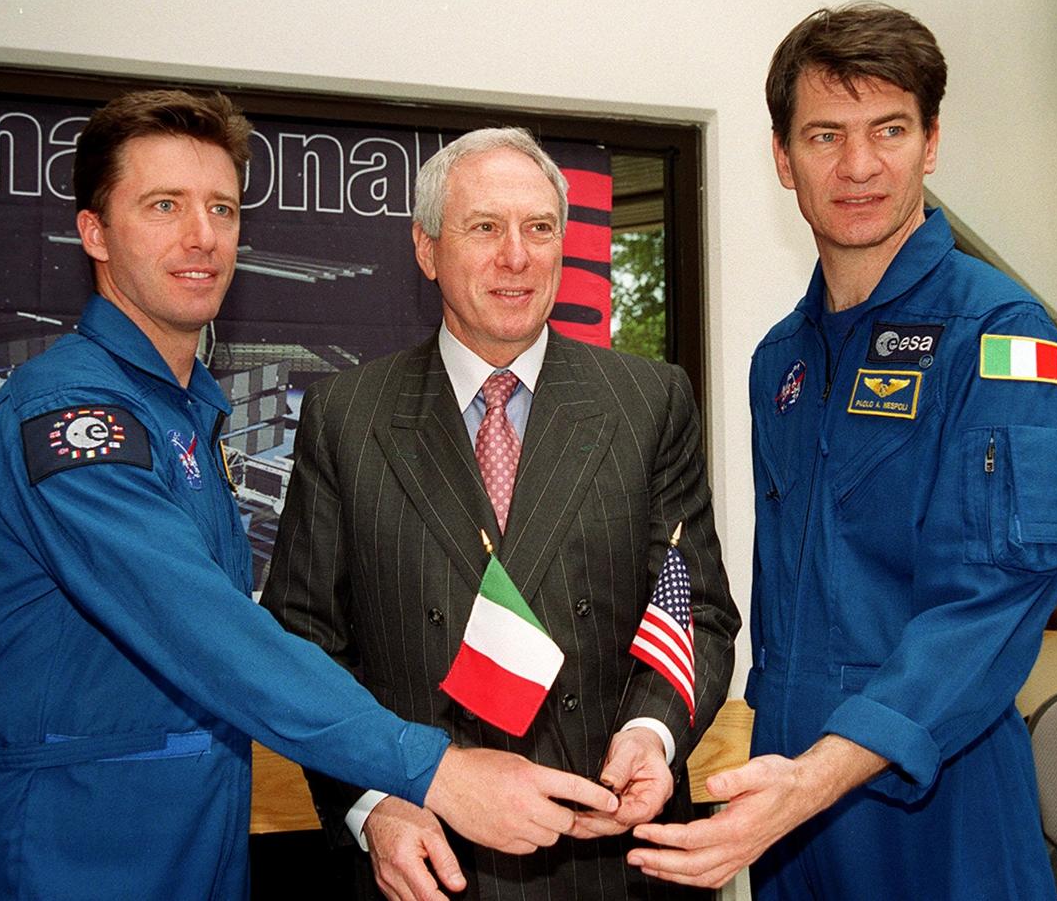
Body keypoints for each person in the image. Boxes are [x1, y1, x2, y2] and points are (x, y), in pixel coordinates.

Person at [0, 90, 619, 900]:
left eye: (222, 208)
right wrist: (430, 769)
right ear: (95, 230)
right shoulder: (71, 419)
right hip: (72, 853)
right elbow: (209, 633)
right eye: (164, 205)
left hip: (200, 842)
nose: (202, 237)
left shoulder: (179, 414)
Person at [627, 3, 1057, 899]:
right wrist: (784, 778)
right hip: (785, 795)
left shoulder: (999, 336)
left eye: (889, 129)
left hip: (934, 787)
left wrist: (820, 775)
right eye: (825, 134)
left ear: (931, 142)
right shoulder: (780, 361)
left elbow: (988, 605)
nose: (859, 165)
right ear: (782, 156)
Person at [263, 126, 739, 901]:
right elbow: (305, 643)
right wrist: (375, 805)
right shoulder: (347, 415)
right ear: (427, 250)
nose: (516, 256)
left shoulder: (649, 402)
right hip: (430, 860)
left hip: (612, 854)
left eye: (539, 228)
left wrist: (653, 731)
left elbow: (696, 607)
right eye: (485, 227)